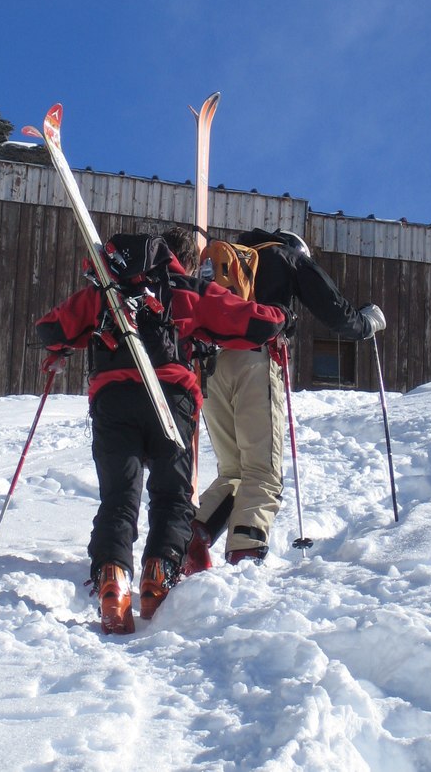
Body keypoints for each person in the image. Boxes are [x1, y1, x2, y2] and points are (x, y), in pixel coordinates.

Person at [35, 226, 290, 634]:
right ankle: (159, 572)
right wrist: (283, 315)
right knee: (172, 496)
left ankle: (113, 580)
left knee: (119, 496)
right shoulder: (186, 291)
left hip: (112, 401)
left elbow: (52, 328)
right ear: (175, 259)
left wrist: (60, 349)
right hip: (169, 400)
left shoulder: (104, 293)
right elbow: (254, 323)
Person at [185, 228, 386, 572]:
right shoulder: (286, 256)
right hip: (255, 362)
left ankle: (187, 541)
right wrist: (366, 325)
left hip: (211, 367)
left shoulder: (224, 262)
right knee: (262, 473)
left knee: (234, 472)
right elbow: (334, 309)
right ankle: (244, 560)